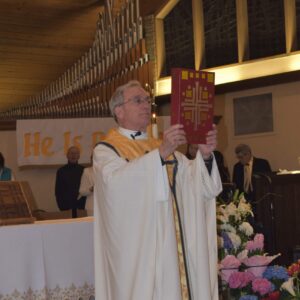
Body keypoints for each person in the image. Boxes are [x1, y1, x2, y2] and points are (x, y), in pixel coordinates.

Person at [93, 80, 222, 300]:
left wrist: (206, 155)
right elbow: (115, 188)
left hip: (173, 247)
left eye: (147, 100)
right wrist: (160, 154)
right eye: (137, 100)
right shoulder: (106, 150)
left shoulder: (160, 146)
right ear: (119, 111)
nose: (146, 105)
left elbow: (196, 184)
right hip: (140, 252)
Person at [55, 146, 86, 217]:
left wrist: (83, 206)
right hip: (66, 207)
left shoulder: (84, 170)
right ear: (67, 156)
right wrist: (62, 207)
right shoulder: (61, 171)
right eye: (71, 153)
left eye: (76, 153)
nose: (73, 155)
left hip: (81, 207)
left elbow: (85, 189)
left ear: (79, 156)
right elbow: (58, 191)